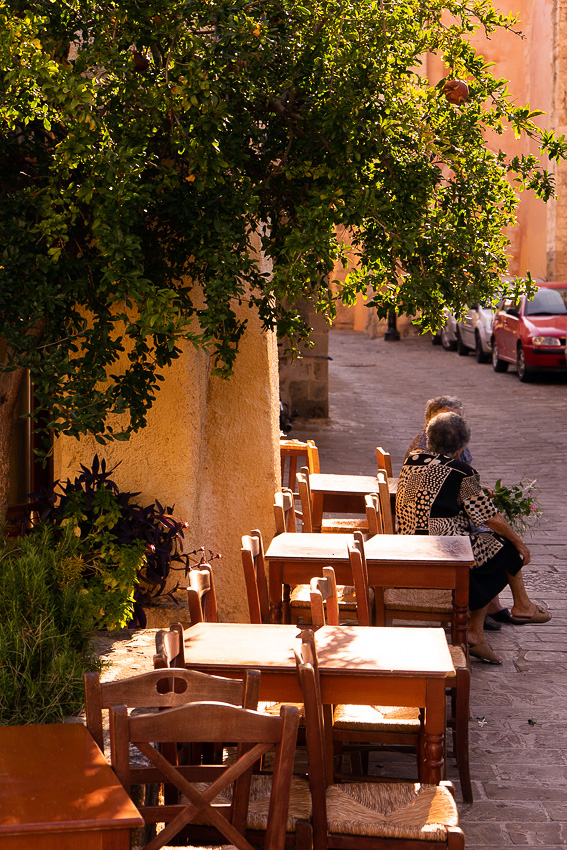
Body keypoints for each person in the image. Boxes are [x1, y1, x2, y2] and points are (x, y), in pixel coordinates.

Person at [396, 412, 551, 664]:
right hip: (440, 550)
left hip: (408, 544)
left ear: (429, 439)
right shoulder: (461, 471)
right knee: (505, 548)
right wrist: (519, 542)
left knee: (486, 552)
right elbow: (491, 518)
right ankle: (509, 613)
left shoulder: (414, 459)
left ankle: (485, 627)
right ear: (461, 447)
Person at [406, 394, 512, 629]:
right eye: (446, 416)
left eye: (456, 417)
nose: (452, 422)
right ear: (430, 419)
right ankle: (476, 614)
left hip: (427, 524)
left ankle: (490, 605)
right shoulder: (427, 446)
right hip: (435, 531)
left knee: (485, 535)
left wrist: (473, 489)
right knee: (498, 545)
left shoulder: (427, 453)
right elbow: (452, 486)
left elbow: (454, 480)